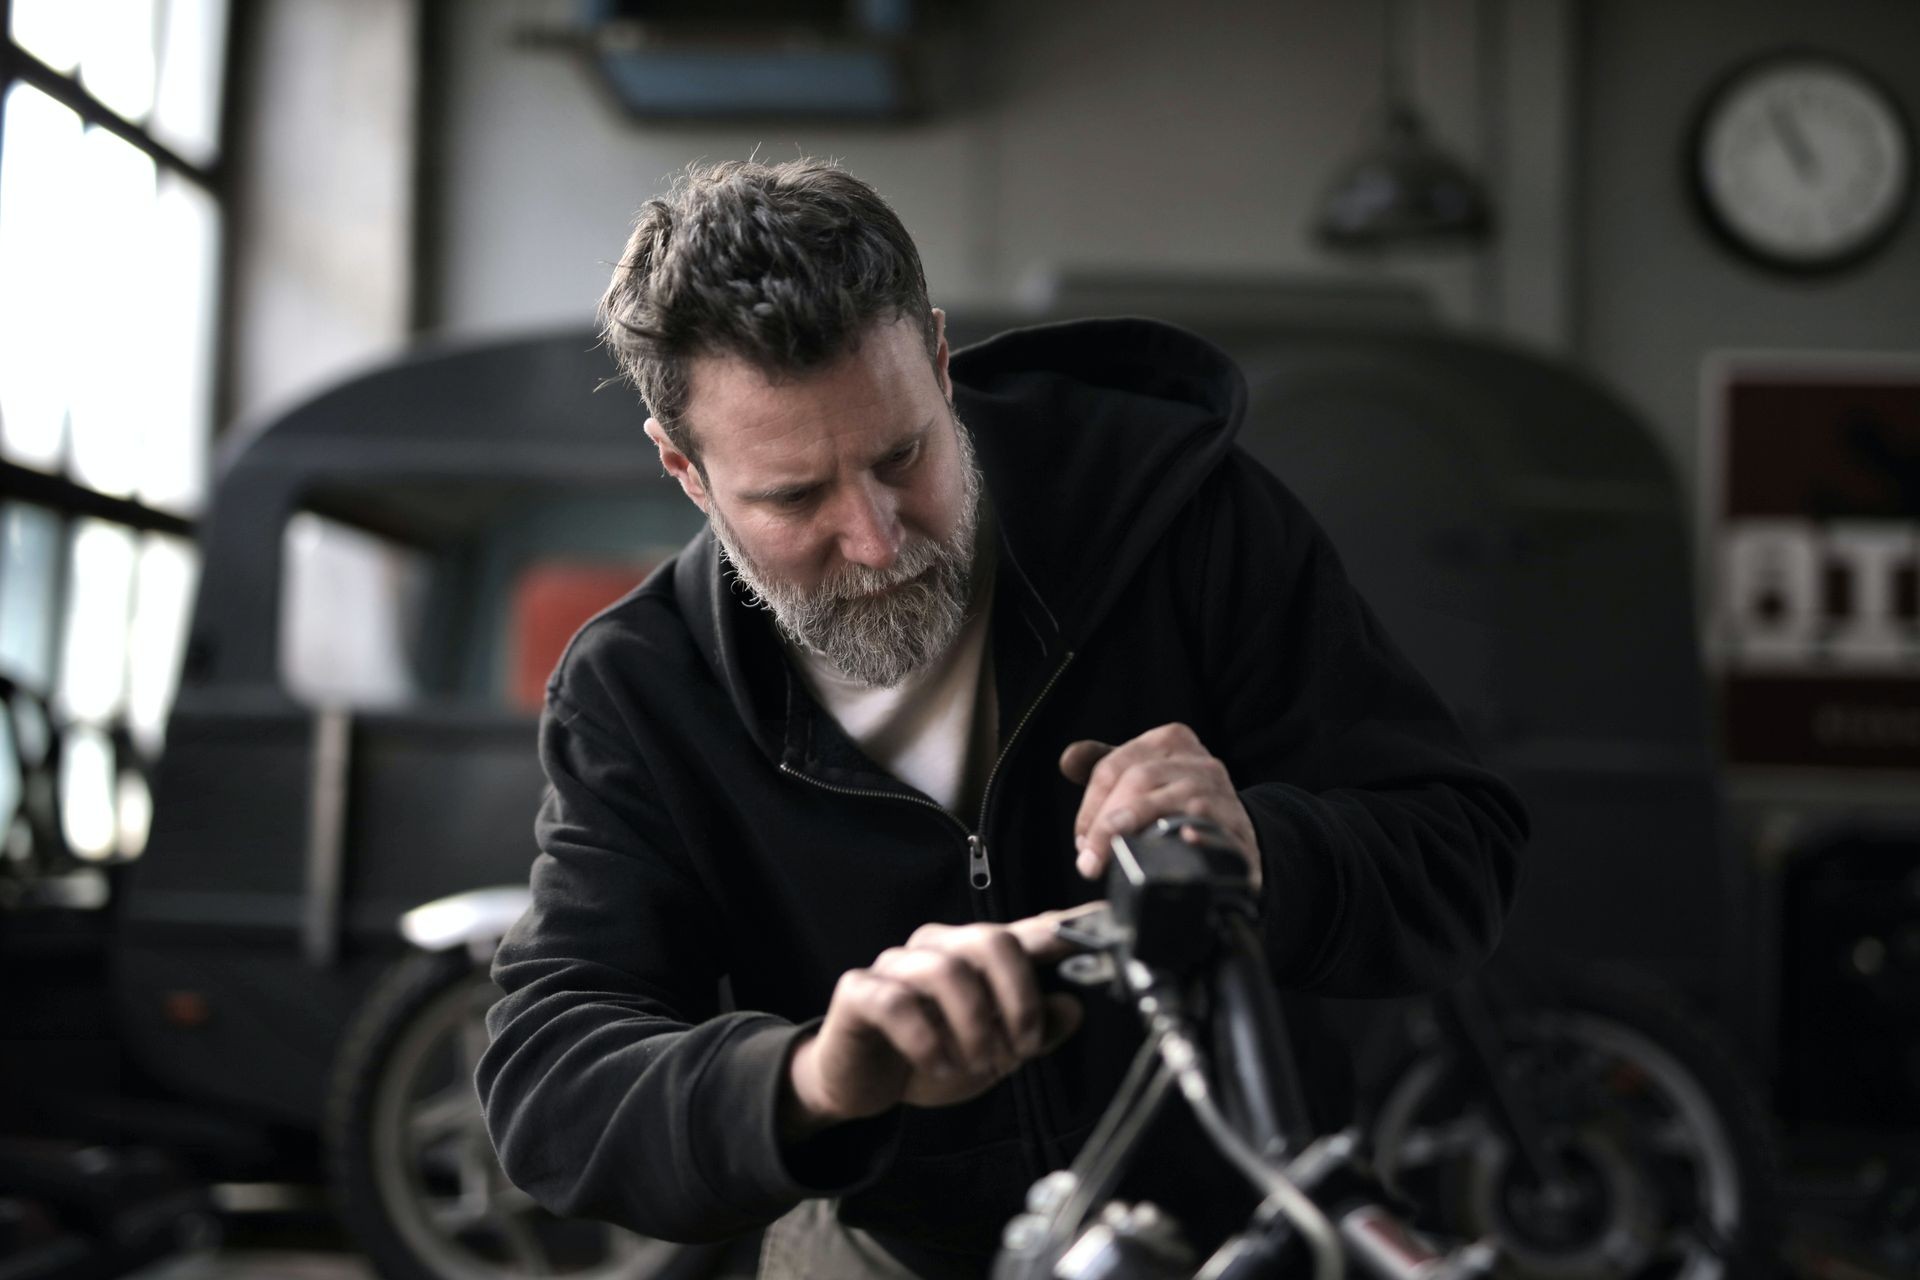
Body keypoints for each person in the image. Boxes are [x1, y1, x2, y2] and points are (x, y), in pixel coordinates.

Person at [475, 157, 1529, 1279]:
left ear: (935, 358)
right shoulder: (640, 689)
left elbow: (1461, 853)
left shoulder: (1184, 514)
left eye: (902, 454)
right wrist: (818, 1076)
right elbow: (551, 1082)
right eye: (794, 497)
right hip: (890, 1249)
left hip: (1247, 1231)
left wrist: (1266, 848)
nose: (878, 539)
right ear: (685, 468)